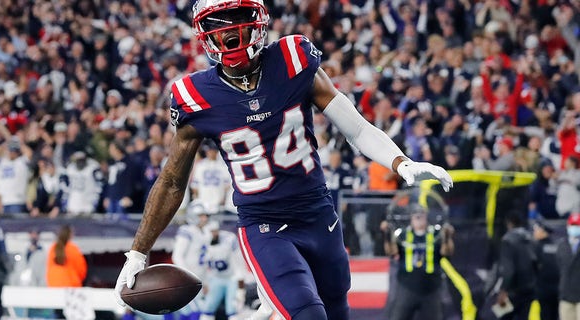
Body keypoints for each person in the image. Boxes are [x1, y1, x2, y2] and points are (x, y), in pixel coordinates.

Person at [114, 1, 453, 318]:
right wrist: (138, 252)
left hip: (319, 216)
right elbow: (173, 180)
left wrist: (401, 162)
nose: (230, 30)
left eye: (237, 19)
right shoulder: (195, 95)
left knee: (336, 313)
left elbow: (358, 129)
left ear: (258, 21)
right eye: (218, 24)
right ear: (204, 33)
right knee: (308, 313)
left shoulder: (293, 60)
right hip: (265, 225)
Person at [383, 205, 455, 320]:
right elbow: (391, 252)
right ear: (411, 218)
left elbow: (447, 252)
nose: (419, 218)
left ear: (426, 217)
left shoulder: (435, 234)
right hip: (407, 287)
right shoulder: (403, 234)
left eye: (421, 215)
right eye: (416, 216)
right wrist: (387, 235)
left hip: (431, 289)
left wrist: (447, 237)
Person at [169, 200, 213, 320]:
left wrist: (205, 282)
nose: (205, 218)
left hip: (197, 280)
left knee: (191, 312)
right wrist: (188, 276)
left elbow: (204, 262)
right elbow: (177, 256)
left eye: (205, 215)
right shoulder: (187, 230)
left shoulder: (205, 233)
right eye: (201, 215)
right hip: (187, 280)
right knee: (195, 311)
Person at [200, 221, 247, 320]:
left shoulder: (229, 239)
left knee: (233, 311)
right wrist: (205, 283)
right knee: (207, 310)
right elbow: (203, 267)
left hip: (232, 278)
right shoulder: (203, 243)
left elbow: (239, 262)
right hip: (216, 278)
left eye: (215, 231)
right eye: (211, 232)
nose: (214, 234)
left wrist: (241, 286)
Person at [496, 213, 538, 320]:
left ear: (509, 224)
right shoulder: (531, 238)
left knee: (503, 316)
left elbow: (508, 270)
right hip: (529, 289)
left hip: (513, 291)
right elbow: (536, 263)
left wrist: (503, 290)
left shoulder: (507, 240)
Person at [190, 141, 231, 213]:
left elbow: (227, 186)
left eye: (210, 150)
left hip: (218, 205)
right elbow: (194, 186)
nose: (208, 152)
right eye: (208, 151)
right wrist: (199, 200)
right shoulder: (201, 165)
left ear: (216, 151)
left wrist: (223, 199)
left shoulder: (222, 166)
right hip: (203, 204)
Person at [532, 221, 559, 320]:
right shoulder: (557, 245)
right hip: (557, 290)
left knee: (545, 315)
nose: (534, 233)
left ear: (543, 231)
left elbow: (532, 267)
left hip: (543, 290)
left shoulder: (536, 247)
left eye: (536, 230)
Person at [557, 213, 580, 320]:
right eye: (573, 225)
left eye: (577, 225)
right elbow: (559, 266)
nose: (575, 228)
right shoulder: (562, 245)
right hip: (566, 294)